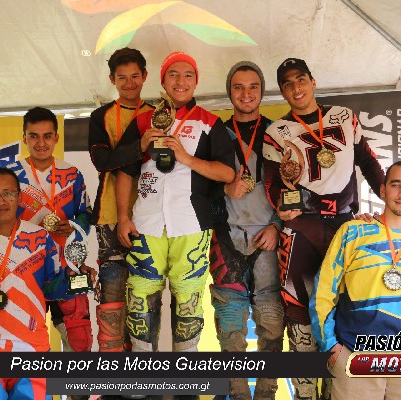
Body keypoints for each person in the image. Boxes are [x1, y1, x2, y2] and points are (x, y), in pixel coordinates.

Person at [262, 57, 385, 399]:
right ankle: (305, 393)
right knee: (298, 309)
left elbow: (368, 162)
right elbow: (272, 183)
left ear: (313, 81)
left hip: (345, 225)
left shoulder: (344, 116)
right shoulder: (276, 132)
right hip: (302, 227)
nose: (296, 87)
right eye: (287, 83)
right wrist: (281, 206)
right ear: (282, 92)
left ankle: (337, 391)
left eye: (300, 79)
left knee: (344, 305)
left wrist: (390, 199)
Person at [0, 108, 93, 379]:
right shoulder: (12, 174)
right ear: (24, 138)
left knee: (79, 342)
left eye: (47, 136)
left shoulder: (72, 174)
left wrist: (74, 225)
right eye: (34, 136)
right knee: (25, 342)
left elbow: (86, 214)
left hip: (66, 268)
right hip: (24, 271)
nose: (41, 143)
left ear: (57, 137)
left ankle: (76, 393)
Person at [115, 51, 235, 361]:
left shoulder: (210, 122)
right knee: (140, 298)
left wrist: (186, 158)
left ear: (196, 81)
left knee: (188, 300)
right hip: (146, 223)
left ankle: (186, 371)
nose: (181, 81)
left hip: (191, 225)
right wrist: (123, 217)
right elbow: (125, 171)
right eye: (173, 74)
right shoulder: (144, 120)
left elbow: (227, 173)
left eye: (188, 75)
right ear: (163, 80)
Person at [0, 167, 94, 400]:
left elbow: (51, 289)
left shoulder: (41, 238)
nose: (0, 201)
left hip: (33, 352)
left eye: (8, 193)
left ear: (19, 197)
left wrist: (73, 278)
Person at [309, 160, 401, 400]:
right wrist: (331, 346)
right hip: (356, 359)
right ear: (383, 190)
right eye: (396, 184)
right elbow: (323, 292)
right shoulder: (352, 233)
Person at [209, 61, 283, 400]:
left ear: (262, 91)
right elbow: (197, 186)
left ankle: (266, 394)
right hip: (227, 238)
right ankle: (237, 394)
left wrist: (278, 226)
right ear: (230, 92)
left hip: (268, 238)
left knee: (272, 322)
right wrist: (225, 189)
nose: (246, 93)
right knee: (230, 325)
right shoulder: (216, 134)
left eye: (253, 86)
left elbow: (295, 187)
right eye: (238, 86)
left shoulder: (278, 133)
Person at [88, 47, 154, 354]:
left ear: (145, 76)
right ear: (112, 79)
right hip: (110, 215)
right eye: (122, 78)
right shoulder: (100, 116)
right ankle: (113, 366)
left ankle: (143, 364)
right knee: (112, 288)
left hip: (150, 213)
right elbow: (102, 161)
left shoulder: (158, 114)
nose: (129, 83)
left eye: (135, 76)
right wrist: (139, 145)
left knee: (145, 292)